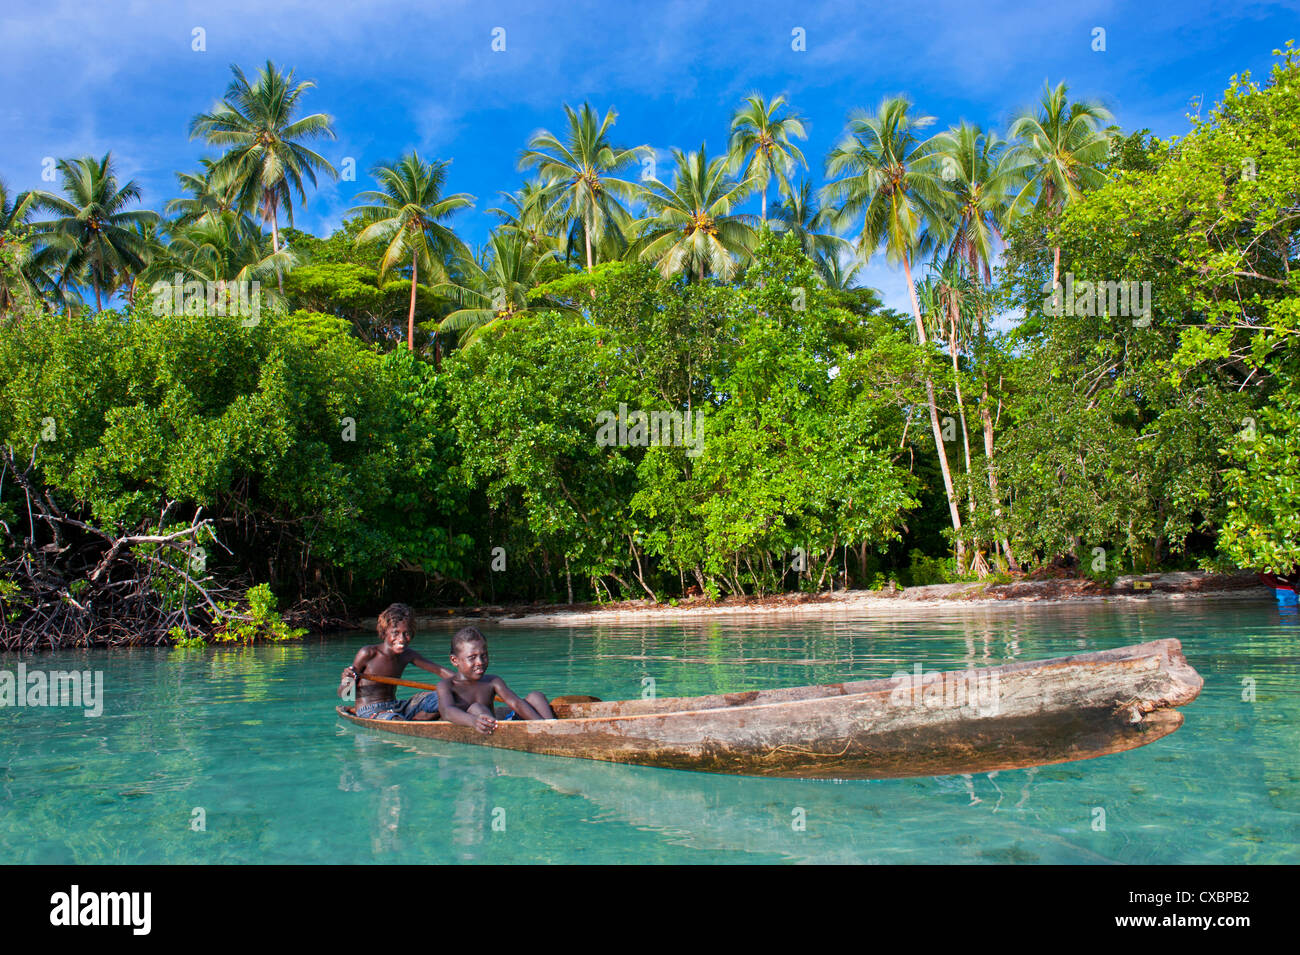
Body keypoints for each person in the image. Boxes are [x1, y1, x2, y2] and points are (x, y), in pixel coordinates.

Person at [338, 603, 454, 720]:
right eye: (395, 633)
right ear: (384, 632)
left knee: (446, 697)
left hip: (397, 707)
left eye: (406, 633)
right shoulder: (368, 653)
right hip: (369, 710)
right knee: (394, 719)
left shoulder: (407, 654)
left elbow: (440, 670)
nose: (402, 639)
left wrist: (467, 683)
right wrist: (347, 681)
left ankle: (415, 721)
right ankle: (408, 723)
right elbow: (346, 696)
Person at [437, 627, 554, 734]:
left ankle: (551, 730)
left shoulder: (493, 681)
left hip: (500, 728)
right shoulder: (447, 685)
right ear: (454, 660)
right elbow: (447, 711)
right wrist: (473, 721)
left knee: (536, 696)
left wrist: (540, 725)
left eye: (483, 655)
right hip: (486, 730)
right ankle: (547, 733)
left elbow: (516, 703)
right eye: (472, 658)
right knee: (476, 708)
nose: (480, 662)